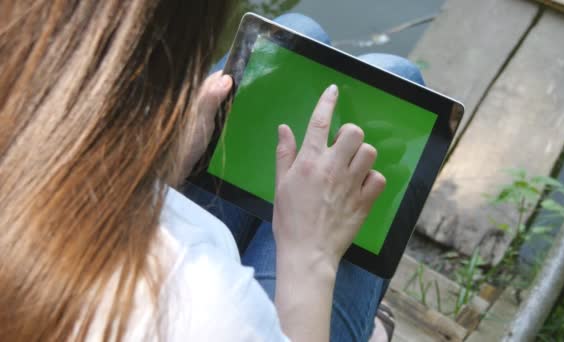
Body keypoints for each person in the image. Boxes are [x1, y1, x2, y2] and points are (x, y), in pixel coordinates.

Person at [0, 1, 424, 341]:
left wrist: (155, 166)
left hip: (134, 223)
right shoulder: (211, 305)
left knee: (296, 33)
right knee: (394, 75)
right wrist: (311, 256)